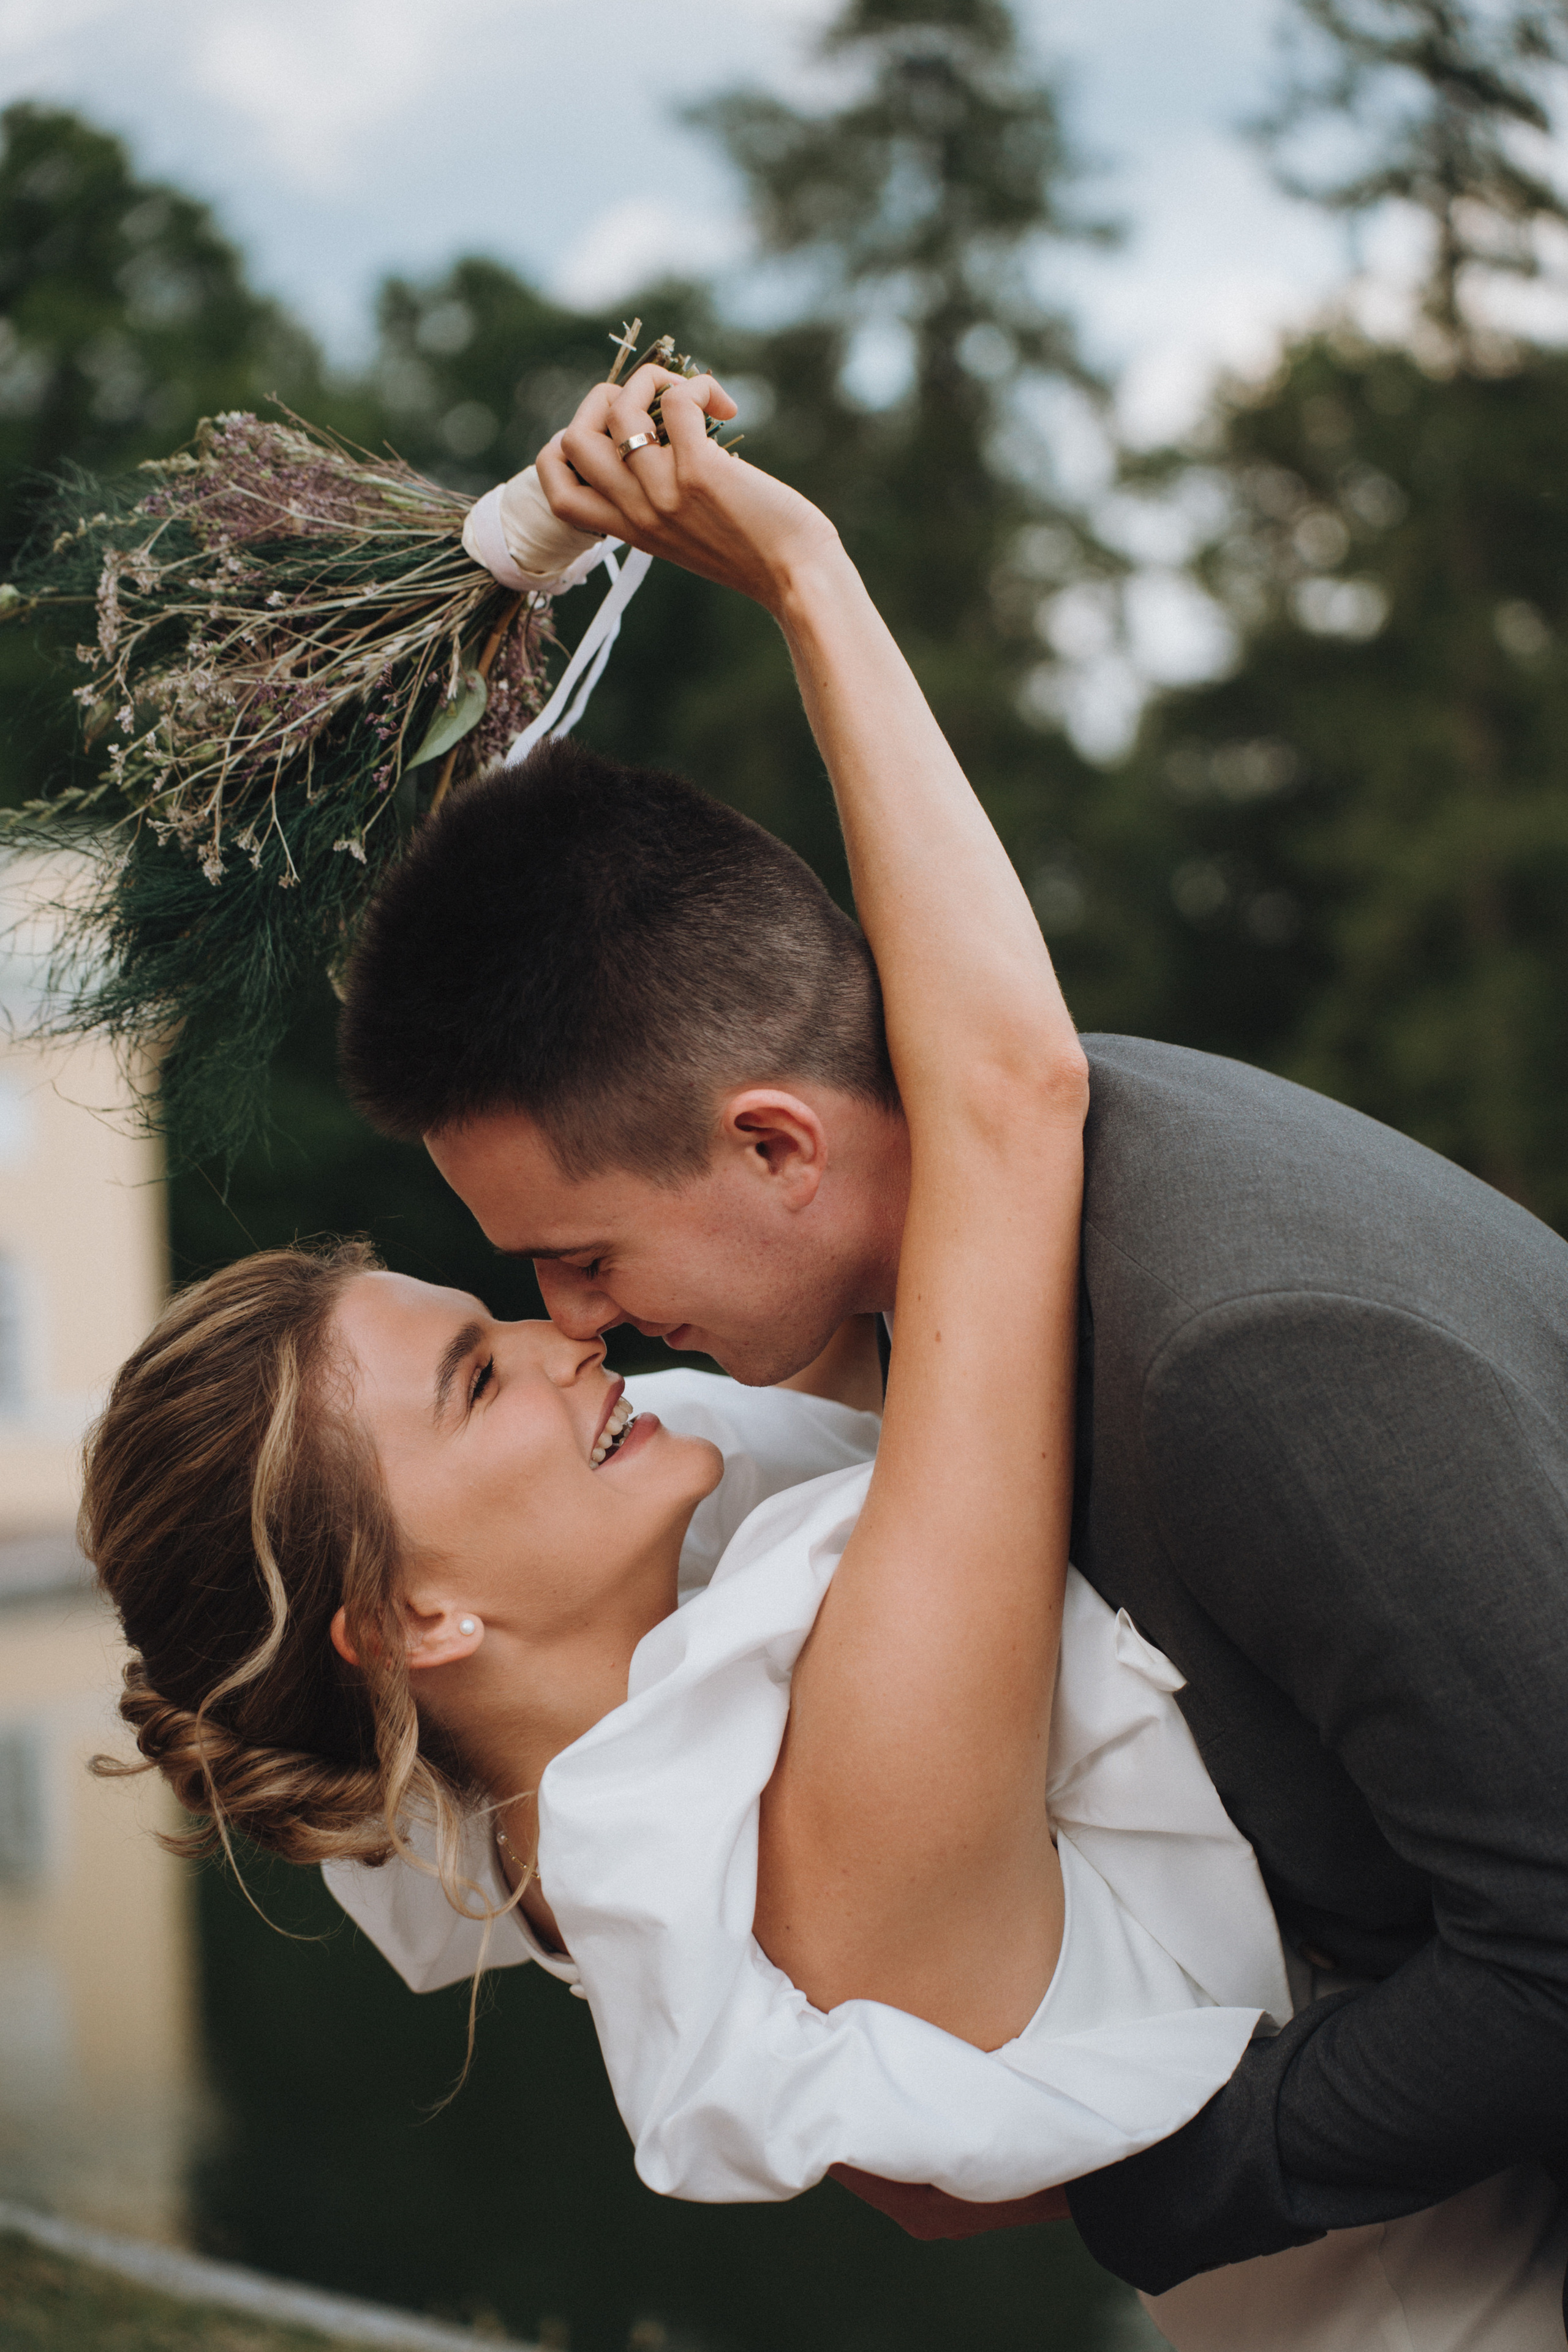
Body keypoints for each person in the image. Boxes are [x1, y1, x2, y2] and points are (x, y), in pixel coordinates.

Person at [86, 369, 1568, 2350]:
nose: (569, 1331)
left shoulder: (652, 1643)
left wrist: (490, 626)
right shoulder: (793, 1704)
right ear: (417, 1615)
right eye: (506, 1326)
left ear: (774, 1142)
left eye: (564, 1270)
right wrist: (799, 573)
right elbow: (1005, 1089)